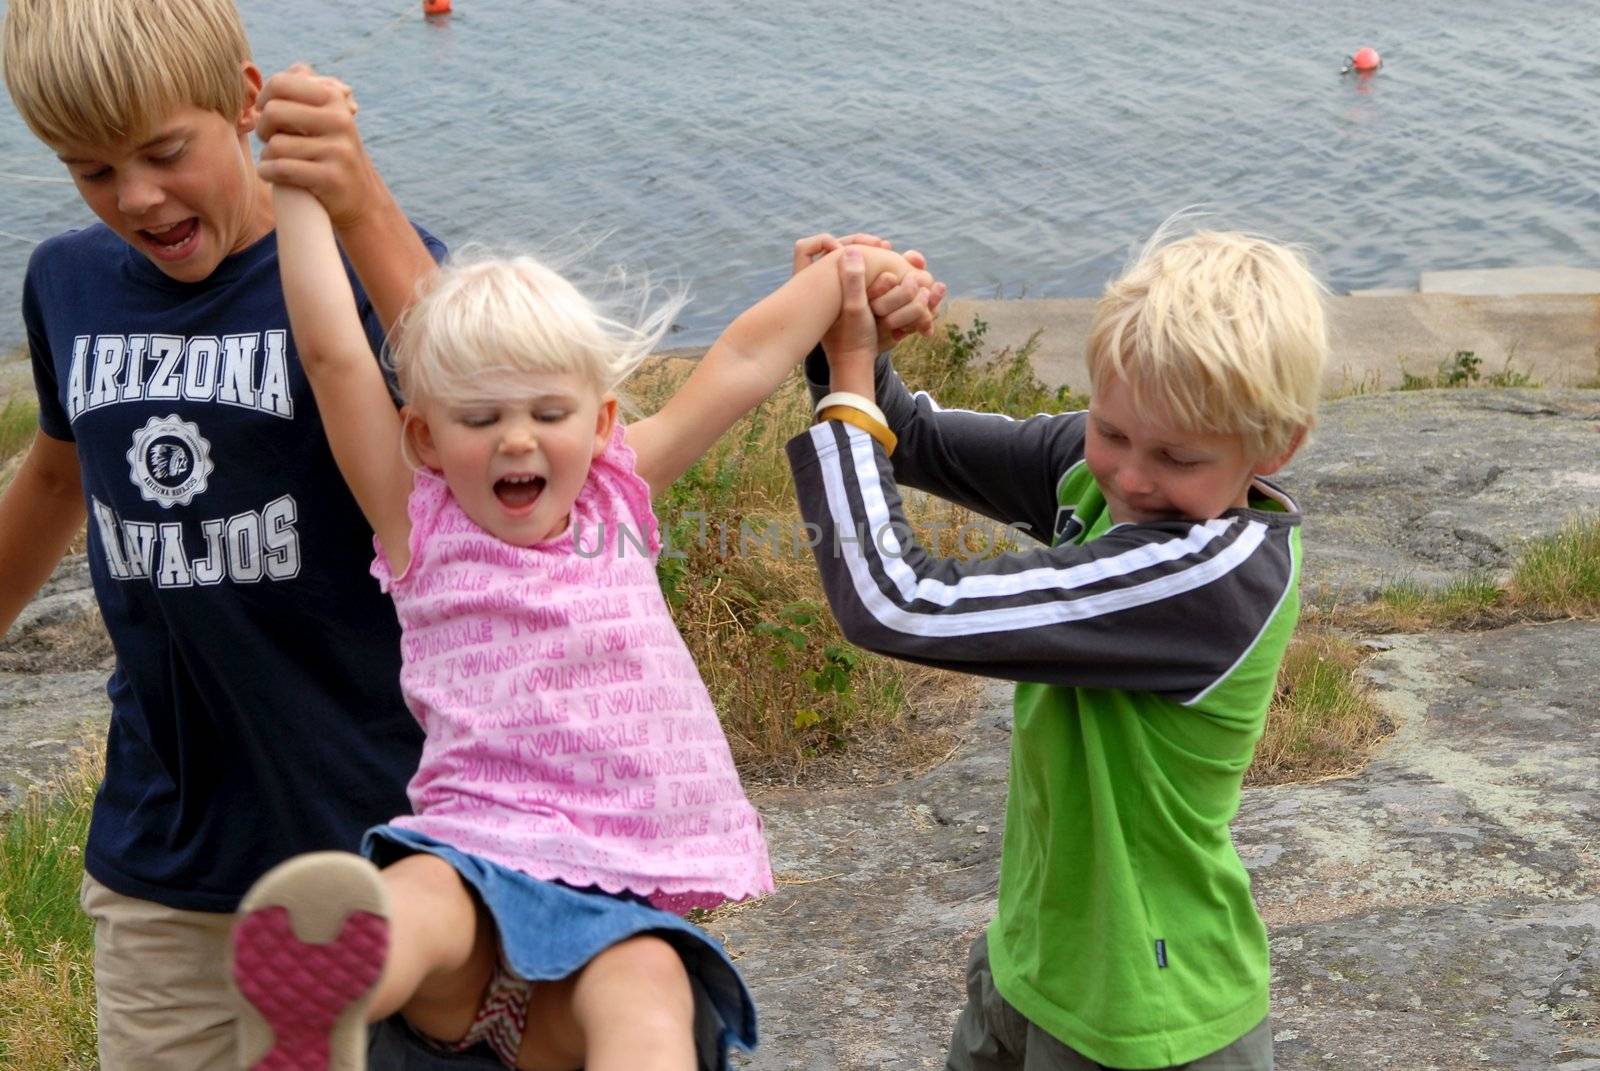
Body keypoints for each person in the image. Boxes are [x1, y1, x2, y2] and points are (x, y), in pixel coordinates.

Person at [225, 173, 941, 1071]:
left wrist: (849, 269)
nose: (517, 439)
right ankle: (321, 993)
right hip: (478, 855)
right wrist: (293, 187)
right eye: (478, 418)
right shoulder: (419, 519)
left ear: (601, 422)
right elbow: (333, 357)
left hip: (619, 908)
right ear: (423, 440)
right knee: (419, 898)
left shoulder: (616, 494)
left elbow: (745, 362)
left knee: (652, 990)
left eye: (548, 413)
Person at [0, 1, 491, 1066]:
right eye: (89, 170)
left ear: (247, 99)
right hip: (167, 857)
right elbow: (55, 468)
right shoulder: (67, 283)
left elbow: (482, 437)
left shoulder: (362, 271)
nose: (135, 197)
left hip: (385, 842)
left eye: (164, 151)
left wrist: (362, 205)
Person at [787, 230, 1328, 1070]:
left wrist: (852, 385)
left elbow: (895, 600)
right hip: (1034, 966)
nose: (1132, 478)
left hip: (1147, 1024)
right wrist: (846, 340)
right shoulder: (1100, 472)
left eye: (1178, 456)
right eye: (1111, 430)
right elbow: (915, 436)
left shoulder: (1206, 577)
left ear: (1277, 445)